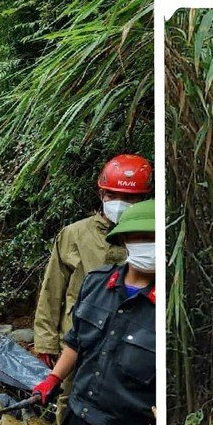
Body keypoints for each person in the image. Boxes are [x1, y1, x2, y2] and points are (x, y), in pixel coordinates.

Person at [30, 199, 159, 425]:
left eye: (154, 237)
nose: (148, 244)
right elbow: (76, 341)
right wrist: (53, 379)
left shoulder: (166, 307)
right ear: (124, 239)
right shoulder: (97, 283)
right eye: (141, 236)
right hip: (79, 419)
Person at [33, 155, 149, 374]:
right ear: (101, 193)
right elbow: (52, 290)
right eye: (112, 195)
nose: (120, 203)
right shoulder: (74, 234)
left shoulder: (148, 239)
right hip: (75, 340)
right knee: (67, 401)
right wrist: (45, 342)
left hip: (128, 348)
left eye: (129, 198)